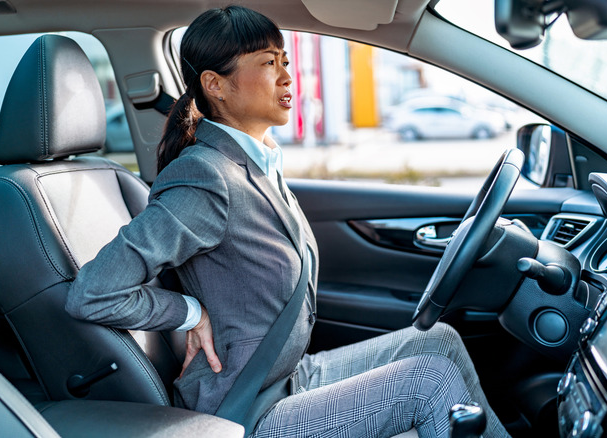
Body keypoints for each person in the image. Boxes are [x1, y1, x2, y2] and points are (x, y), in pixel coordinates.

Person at [66, 5, 509, 438]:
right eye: (266, 63)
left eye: (284, 60)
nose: (286, 75)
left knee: (439, 340)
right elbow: (93, 292)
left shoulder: (255, 163)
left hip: (289, 375)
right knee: (426, 380)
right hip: (244, 408)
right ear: (215, 84)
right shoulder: (204, 176)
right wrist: (190, 312)